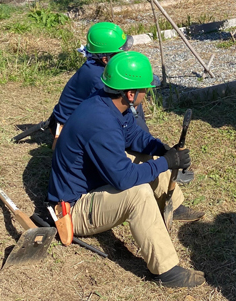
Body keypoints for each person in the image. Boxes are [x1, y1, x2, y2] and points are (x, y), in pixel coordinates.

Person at [47, 51, 206, 288]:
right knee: (138, 193)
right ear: (130, 93)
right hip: (71, 209)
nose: (146, 94)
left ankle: (173, 204)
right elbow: (124, 179)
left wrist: (162, 150)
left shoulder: (110, 103)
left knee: (152, 157)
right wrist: (166, 162)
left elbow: (133, 135)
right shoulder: (99, 122)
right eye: (144, 89)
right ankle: (165, 270)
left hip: (94, 184)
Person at [51, 22, 194, 183]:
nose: (126, 53)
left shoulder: (110, 90)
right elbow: (123, 178)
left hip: (85, 132)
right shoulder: (99, 90)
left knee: (144, 153)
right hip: (72, 140)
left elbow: (132, 131)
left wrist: (159, 148)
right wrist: (166, 162)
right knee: (138, 188)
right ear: (105, 58)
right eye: (121, 51)